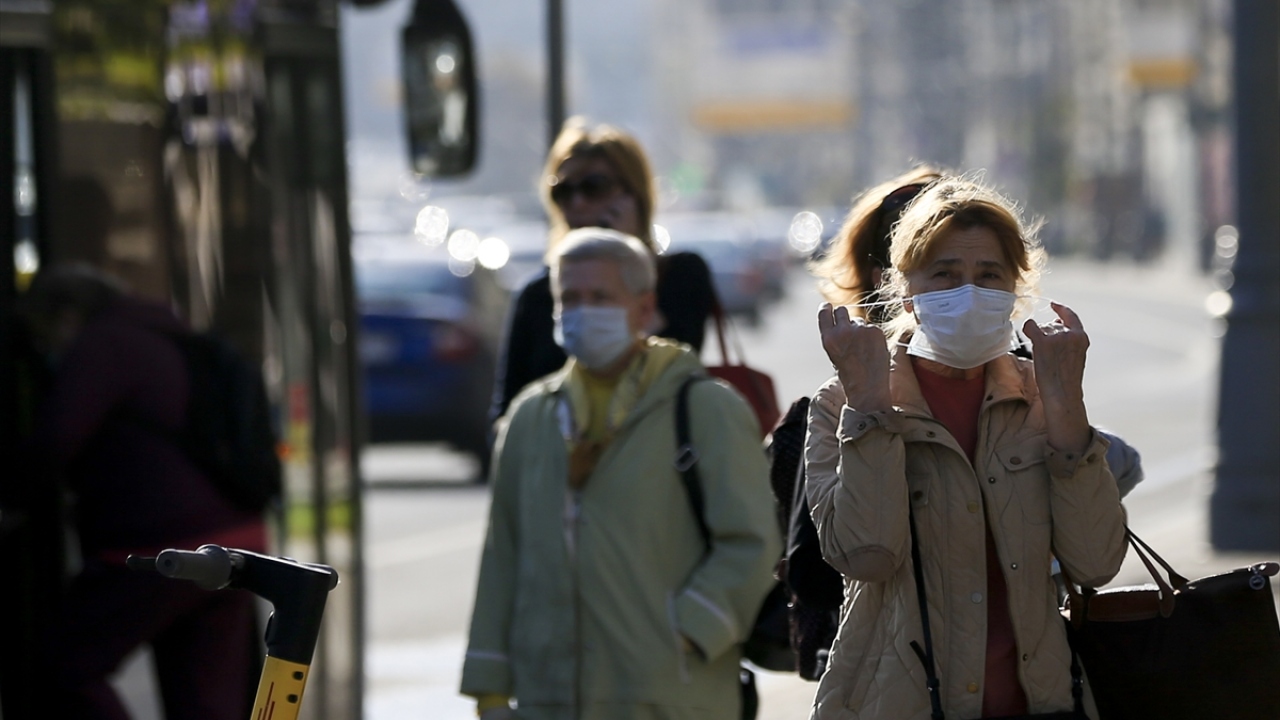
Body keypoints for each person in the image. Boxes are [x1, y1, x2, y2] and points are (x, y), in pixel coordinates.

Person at [805, 177, 1128, 719]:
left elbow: (1095, 564)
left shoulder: (1037, 396)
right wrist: (870, 408)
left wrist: (1066, 405)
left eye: (988, 276)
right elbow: (868, 553)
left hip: (1042, 703)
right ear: (904, 288)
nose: (969, 292)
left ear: (1014, 290)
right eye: (945, 275)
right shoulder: (843, 406)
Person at [461, 228, 780, 720]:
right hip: (551, 699)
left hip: (672, 697)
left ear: (645, 307)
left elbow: (753, 541)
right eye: (570, 297)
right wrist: (490, 690)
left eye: (601, 296)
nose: (583, 310)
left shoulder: (704, 408)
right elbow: (502, 555)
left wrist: (689, 631)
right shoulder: (529, 418)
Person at [20, 265, 265, 720]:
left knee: (64, 666)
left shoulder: (104, 345)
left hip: (160, 545)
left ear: (68, 316)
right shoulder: (169, 333)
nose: (47, 351)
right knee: (205, 701)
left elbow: (54, 441)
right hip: (236, 541)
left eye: (45, 337)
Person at [489, 118, 718, 425]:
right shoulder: (538, 295)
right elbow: (506, 414)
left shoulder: (679, 275)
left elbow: (675, 364)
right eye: (563, 192)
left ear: (634, 195)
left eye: (594, 187)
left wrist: (624, 249)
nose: (578, 203)